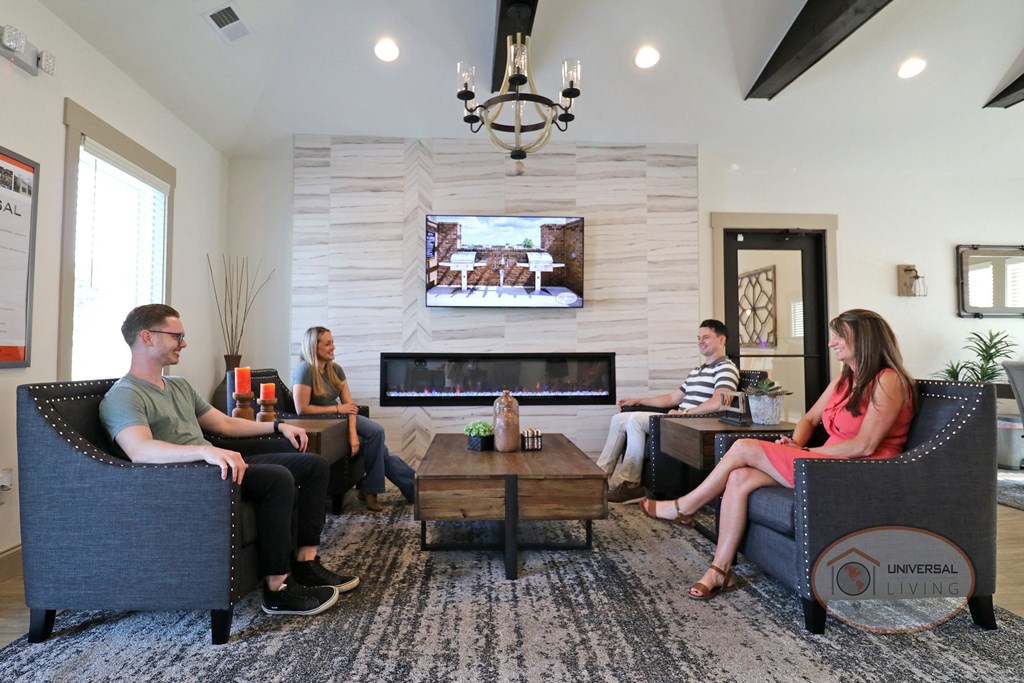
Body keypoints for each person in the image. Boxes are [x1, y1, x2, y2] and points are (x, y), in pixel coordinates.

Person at [99, 304, 359, 618]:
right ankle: (278, 590)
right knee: (278, 479)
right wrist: (204, 451)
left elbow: (223, 424)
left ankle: (305, 562)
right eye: (177, 336)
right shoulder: (124, 395)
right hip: (190, 477)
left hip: (214, 466)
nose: (183, 343)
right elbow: (140, 450)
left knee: (313, 465)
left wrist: (277, 426)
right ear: (147, 337)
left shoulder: (178, 385)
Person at [641, 309, 916, 601]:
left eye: (839, 336)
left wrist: (806, 451)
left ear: (864, 338)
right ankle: (719, 571)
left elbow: (865, 446)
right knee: (739, 476)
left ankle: (684, 507)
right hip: (825, 461)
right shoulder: (844, 380)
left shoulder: (888, 381)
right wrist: (795, 442)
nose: (831, 343)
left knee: (744, 446)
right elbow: (809, 419)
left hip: (856, 471)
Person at [600, 319, 740, 504]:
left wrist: (685, 414)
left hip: (692, 423)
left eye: (706, 337)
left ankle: (632, 485)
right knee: (619, 419)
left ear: (722, 340)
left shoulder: (726, 368)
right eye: (698, 338)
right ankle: (598, 479)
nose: (700, 342)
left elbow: (721, 402)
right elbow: (673, 398)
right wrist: (638, 400)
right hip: (678, 419)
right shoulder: (697, 370)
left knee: (634, 420)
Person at [292, 326, 416, 510]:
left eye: (332, 342)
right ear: (313, 347)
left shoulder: (336, 370)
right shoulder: (305, 370)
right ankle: (385, 490)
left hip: (340, 418)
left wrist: (352, 434)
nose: (333, 347)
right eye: (328, 343)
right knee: (379, 450)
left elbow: (349, 406)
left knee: (376, 432)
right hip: (322, 423)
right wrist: (336, 408)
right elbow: (301, 409)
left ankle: (372, 490)